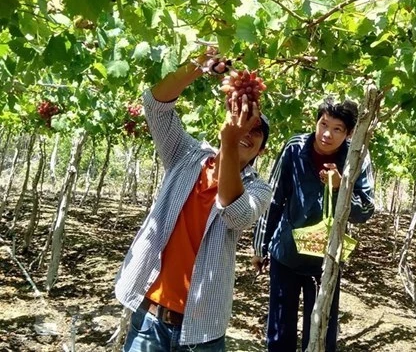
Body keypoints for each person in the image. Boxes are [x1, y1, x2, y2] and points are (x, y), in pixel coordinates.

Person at [114, 51, 272, 352]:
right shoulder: (186, 155)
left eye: (255, 133)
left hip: (202, 330)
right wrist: (197, 66)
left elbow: (235, 214)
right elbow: (155, 106)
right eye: (242, 126)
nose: (245, 134)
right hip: (149, 320)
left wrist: (228, 140)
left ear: (262, 151)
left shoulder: (259, 189)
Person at [252, 97, 375, 352]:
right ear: (316, 122)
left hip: (326, 260)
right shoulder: (295, 148)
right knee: (279, 333)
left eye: (337, 129)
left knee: (321, 334)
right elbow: (274, 198)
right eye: (323, 124)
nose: (327, 134)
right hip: (285, 253)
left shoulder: (357, 157)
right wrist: (260, 247)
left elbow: (366, 211)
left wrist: (342, 187)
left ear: (349, 133)